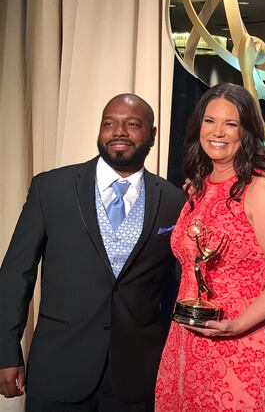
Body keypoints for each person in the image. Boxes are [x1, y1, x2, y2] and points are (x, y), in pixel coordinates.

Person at [0, 94, 185, 410]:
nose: (119, 131)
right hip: (59, 368)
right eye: (109, 123)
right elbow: (17, 273)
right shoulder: (52, 188)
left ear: (153, 135)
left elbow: (174, 288)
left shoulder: (173, 202)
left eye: (132, 124)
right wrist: (5, 351)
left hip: (136, 376)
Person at [154, 83, 265, 412]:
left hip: (240, 346)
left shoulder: (261, 189)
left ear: (246, 131)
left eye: (231, 124)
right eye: (210, 121)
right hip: (185, 343)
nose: (217, 132)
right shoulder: (197, 188)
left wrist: (237, 324)